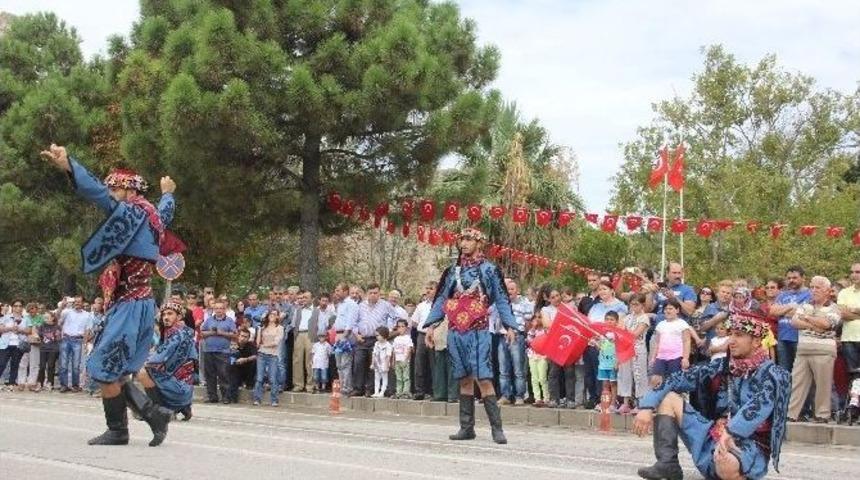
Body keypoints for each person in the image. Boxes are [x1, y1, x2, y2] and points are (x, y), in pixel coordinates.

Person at [41, 143, 177, 447]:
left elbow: (95, 194)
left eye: (115, 188)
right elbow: (166, 212)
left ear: (129, 192)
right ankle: (145, 419)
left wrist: (69, 166)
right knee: (114, 369)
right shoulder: (153, 216)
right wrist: (167, 193)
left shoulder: (129, 214)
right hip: (142, 303)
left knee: (102, 367)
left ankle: (133, 424)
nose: (111, 193)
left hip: (129, 303)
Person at [633, 311, 791, 480]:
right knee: (668, 398)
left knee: (726, 464)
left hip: (750, 445)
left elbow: (758, 407)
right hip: (712, 435)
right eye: (730, 334)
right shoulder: (721, 366)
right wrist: (646, 406)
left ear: (757, 341)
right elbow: (677, 379)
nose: (731, 340)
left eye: (739, 335)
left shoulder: (776, 374)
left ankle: (733, 469)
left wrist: (731, 432)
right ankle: (668, 464)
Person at [424, 227, 518, 444]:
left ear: (479, 243)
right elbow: (440, 300)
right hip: (456, 331)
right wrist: (431, 326)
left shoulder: (489, 270)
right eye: (461, 240)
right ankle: (467, 428)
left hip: (479, 331)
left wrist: (510, 326)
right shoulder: (451, 272)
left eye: (468, 239)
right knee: (464, 379)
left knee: (483, 378)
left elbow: (502, 299)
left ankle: (497, 429)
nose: (463, 244)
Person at [787, 276, 841, 423]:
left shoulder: (834, 307)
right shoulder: (805, 305)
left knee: (823, 384)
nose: (814, 290)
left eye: (818, 288)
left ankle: (822, 414)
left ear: (827, 291)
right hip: (803, 349)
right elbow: (794, 321)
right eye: (812, 287)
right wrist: (812, 324)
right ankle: (792, 413)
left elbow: (826, 324)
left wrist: (807, 318)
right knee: (797, 382)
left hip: (824, 350)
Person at [136, 301, 197, 427]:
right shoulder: (180, 332)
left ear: (179, 317)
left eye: (170, 314)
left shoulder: (178, 335)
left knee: (142, 372)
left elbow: (157, 358)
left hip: (180, 387)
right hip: (183, 387)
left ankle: (161, 411)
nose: (165, 317)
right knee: (150, 369)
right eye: (163, 314)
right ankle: (179, 407)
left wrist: (139, 363)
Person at [586, 281, 629, 408]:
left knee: (613, 380)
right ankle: (601, 400)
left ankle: (614, 401)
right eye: (600, 289)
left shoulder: (620, 306)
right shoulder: (595, 306)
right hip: (597, 345)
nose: (602, 292)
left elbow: (621, 327)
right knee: (598, 376)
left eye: (604, 289)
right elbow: (589, 323)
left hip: (613, 349)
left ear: (611, 290)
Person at [769, 266, 811, 372]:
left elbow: (803, 314)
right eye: (789, 278)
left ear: (803, 278)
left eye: (794, 278)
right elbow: (773, 311)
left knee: (800, 372)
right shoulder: (782, 295)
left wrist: (782, 310)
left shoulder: (809, 294)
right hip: (783, 338)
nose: (791, 280)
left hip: (800, 338)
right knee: (784, 372)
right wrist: (791, 306)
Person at [497, 278, 532, 405]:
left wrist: (521, 333)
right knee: (503, 368)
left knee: (518, 368)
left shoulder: (524, 304)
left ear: (517, 291)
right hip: (503, 336)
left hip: (517, 337)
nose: (509, 291)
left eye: (512, 289)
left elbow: (528, 323)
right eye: (507, 289)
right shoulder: (501, 304)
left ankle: (519, 396)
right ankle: (505, 395)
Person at [618, 294, 651, 414]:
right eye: (632, 304)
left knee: (639, 375)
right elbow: (619, 330)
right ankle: (625, 402)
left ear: (642, 305)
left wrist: (624, 331)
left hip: (638, 349)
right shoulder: (627, 318)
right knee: (625, 374)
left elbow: (635, 334)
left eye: (637, 304)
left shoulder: (644, 318)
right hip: (626, 348)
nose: (634, 307)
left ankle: (641, 402)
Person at [200, 301, 238, 404]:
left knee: (223, 374)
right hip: (209, 350)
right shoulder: (209, 320)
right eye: (216, 308)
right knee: (210, 375)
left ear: (224, 309)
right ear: (214, 310)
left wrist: (222, 333)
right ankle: (212, 396)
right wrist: (212, 332)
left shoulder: (230, 321)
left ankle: (226, 397)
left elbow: (235, 335)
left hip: (223, 351)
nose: (218, 310)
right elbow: (202, 333)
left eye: (221, 308)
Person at [649, 300, 691, 390]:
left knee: (674, 383)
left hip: (676, 357)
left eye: (671, 309)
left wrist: (685, 358)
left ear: (677, 310)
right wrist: (653, 357)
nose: (668, 311)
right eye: (666, 309)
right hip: (661, 357)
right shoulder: (660, 324)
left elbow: (687, 341)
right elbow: (657, 342)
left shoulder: (682, 324)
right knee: (655, 381)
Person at [838, 263, 860, 410]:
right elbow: (842, 314)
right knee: (854, 374)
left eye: (858, 272)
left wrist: (851, 310)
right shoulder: (844, 292)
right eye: (852, 272)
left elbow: (847, 313)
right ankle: (854, 406)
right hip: (849, 339)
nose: (854, 275)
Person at [290, 290, 322, 393]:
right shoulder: (298, 310)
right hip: (299, 334)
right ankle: (298, 384)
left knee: (310, 360)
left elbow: (320, 325)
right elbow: (293, 324)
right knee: (297, 360)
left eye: (306, 297)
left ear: (312, 299)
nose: (303, 299)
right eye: (303, 297)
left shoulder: (317, 311)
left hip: (310, 335)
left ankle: (310, 385)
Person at [253, 310, 284, 406]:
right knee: (259, 378)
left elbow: (276, 342)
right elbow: (258, 343)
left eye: (274, 314)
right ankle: (257, 399)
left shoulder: (280, 328)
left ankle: (274, 400)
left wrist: (265, 345)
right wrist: (259, 331)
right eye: (270, 314)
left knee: (272, 378)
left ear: (277, 317)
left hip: (273, 355)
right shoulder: (263, 328)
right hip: (261, 354)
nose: (272, 316)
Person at [411, 281, 437, 400]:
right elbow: (414, 323)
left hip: (435, 335)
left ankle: (434, 390)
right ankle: (419, 390)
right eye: (427, 288)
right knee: (419, 363)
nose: (428, 291)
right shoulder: (421, 305)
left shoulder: (439, 304)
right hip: (421, 335)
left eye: (431, 288)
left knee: (434, 364)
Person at [598, 311, 620, 411]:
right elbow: (601, 348)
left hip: (613, 363)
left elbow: (620, 349)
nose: (609, 321)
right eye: (607, 319)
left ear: (617, 321)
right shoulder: (602, 334)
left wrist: (617, 362)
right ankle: (605, 402)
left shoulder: (618, 334)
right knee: (605, 384)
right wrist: (596, 344)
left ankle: (613, 403)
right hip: (603, 363)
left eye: (612, 320)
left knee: (613, 384)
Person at [526, 316, 549, 407]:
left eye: (539, 318)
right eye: (535, 319)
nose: (537, 320)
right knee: (534, 378)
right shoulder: (531, 332)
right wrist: (533, 329)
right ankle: (537, 398)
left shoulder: (545, 331)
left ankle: (546, 397)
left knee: (542, 378)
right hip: (532, 356)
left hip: (542, 356)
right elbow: (529, 342)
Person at [36, 311, 62, 391]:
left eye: (47, 318)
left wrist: (58, 335)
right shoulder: (42, 326)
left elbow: (59, 339)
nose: (45, 319)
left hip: (53, 349)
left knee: (51, 366)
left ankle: (50, 383)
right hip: (43, 348)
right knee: (42, 366)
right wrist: (36, 336)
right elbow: (39, 336)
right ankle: (40, 383)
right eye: (44, 318)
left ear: (52, 318)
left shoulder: (57, 327)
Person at [229, 329, 257, 402]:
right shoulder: (234, 345)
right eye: (242, 336)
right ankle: (232, 398)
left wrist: (245, 359)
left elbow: (255, 356)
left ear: (248, 338)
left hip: (248, 370)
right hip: (236, 370)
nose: (243, 338)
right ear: (238, 336)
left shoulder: (250, 345)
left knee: (254, 362)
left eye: (245, 337)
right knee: (232, 369)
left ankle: (249, 383)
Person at [391, 319, 414, 399]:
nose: (400, 328)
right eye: (399, 327)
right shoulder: (396, 339)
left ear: (406, 328)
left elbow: (409, 349)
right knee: (398, 377)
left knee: (406, 377)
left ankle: (406, 392)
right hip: (397, 360)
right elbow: (394, 351)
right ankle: (398, 392)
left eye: (402, 326)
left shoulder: (408, 338)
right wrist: (393, 361)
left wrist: (406, 359)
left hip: (405, 361)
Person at [371, 326, 393, 398]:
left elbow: (388, 356)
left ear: (383, 335)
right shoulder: (376, 344)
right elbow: (374, 354)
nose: (377, 337)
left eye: (378, 335)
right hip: (377, 363)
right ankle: (376, 391)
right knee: (376, 378)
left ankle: (382, 391)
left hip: (384, 363)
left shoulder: (388, 345)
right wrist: (372, 363)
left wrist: (386, 365)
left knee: (384, 378)